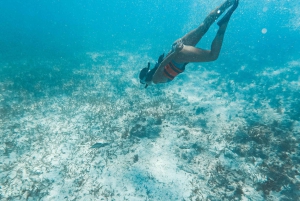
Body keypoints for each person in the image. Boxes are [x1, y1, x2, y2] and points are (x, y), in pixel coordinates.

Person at [139, 0, 239, 88]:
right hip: (176, 46)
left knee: (213, 55)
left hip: (179, 54)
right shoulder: (154, 71)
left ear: (146, 81)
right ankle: (228, 3)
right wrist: (176, 50)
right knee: (203, 27)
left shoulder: (155, 80)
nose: (148, 85)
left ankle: (223, 25)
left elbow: (163, 65)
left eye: (146, 84)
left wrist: (176, 52)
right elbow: (162, 63)